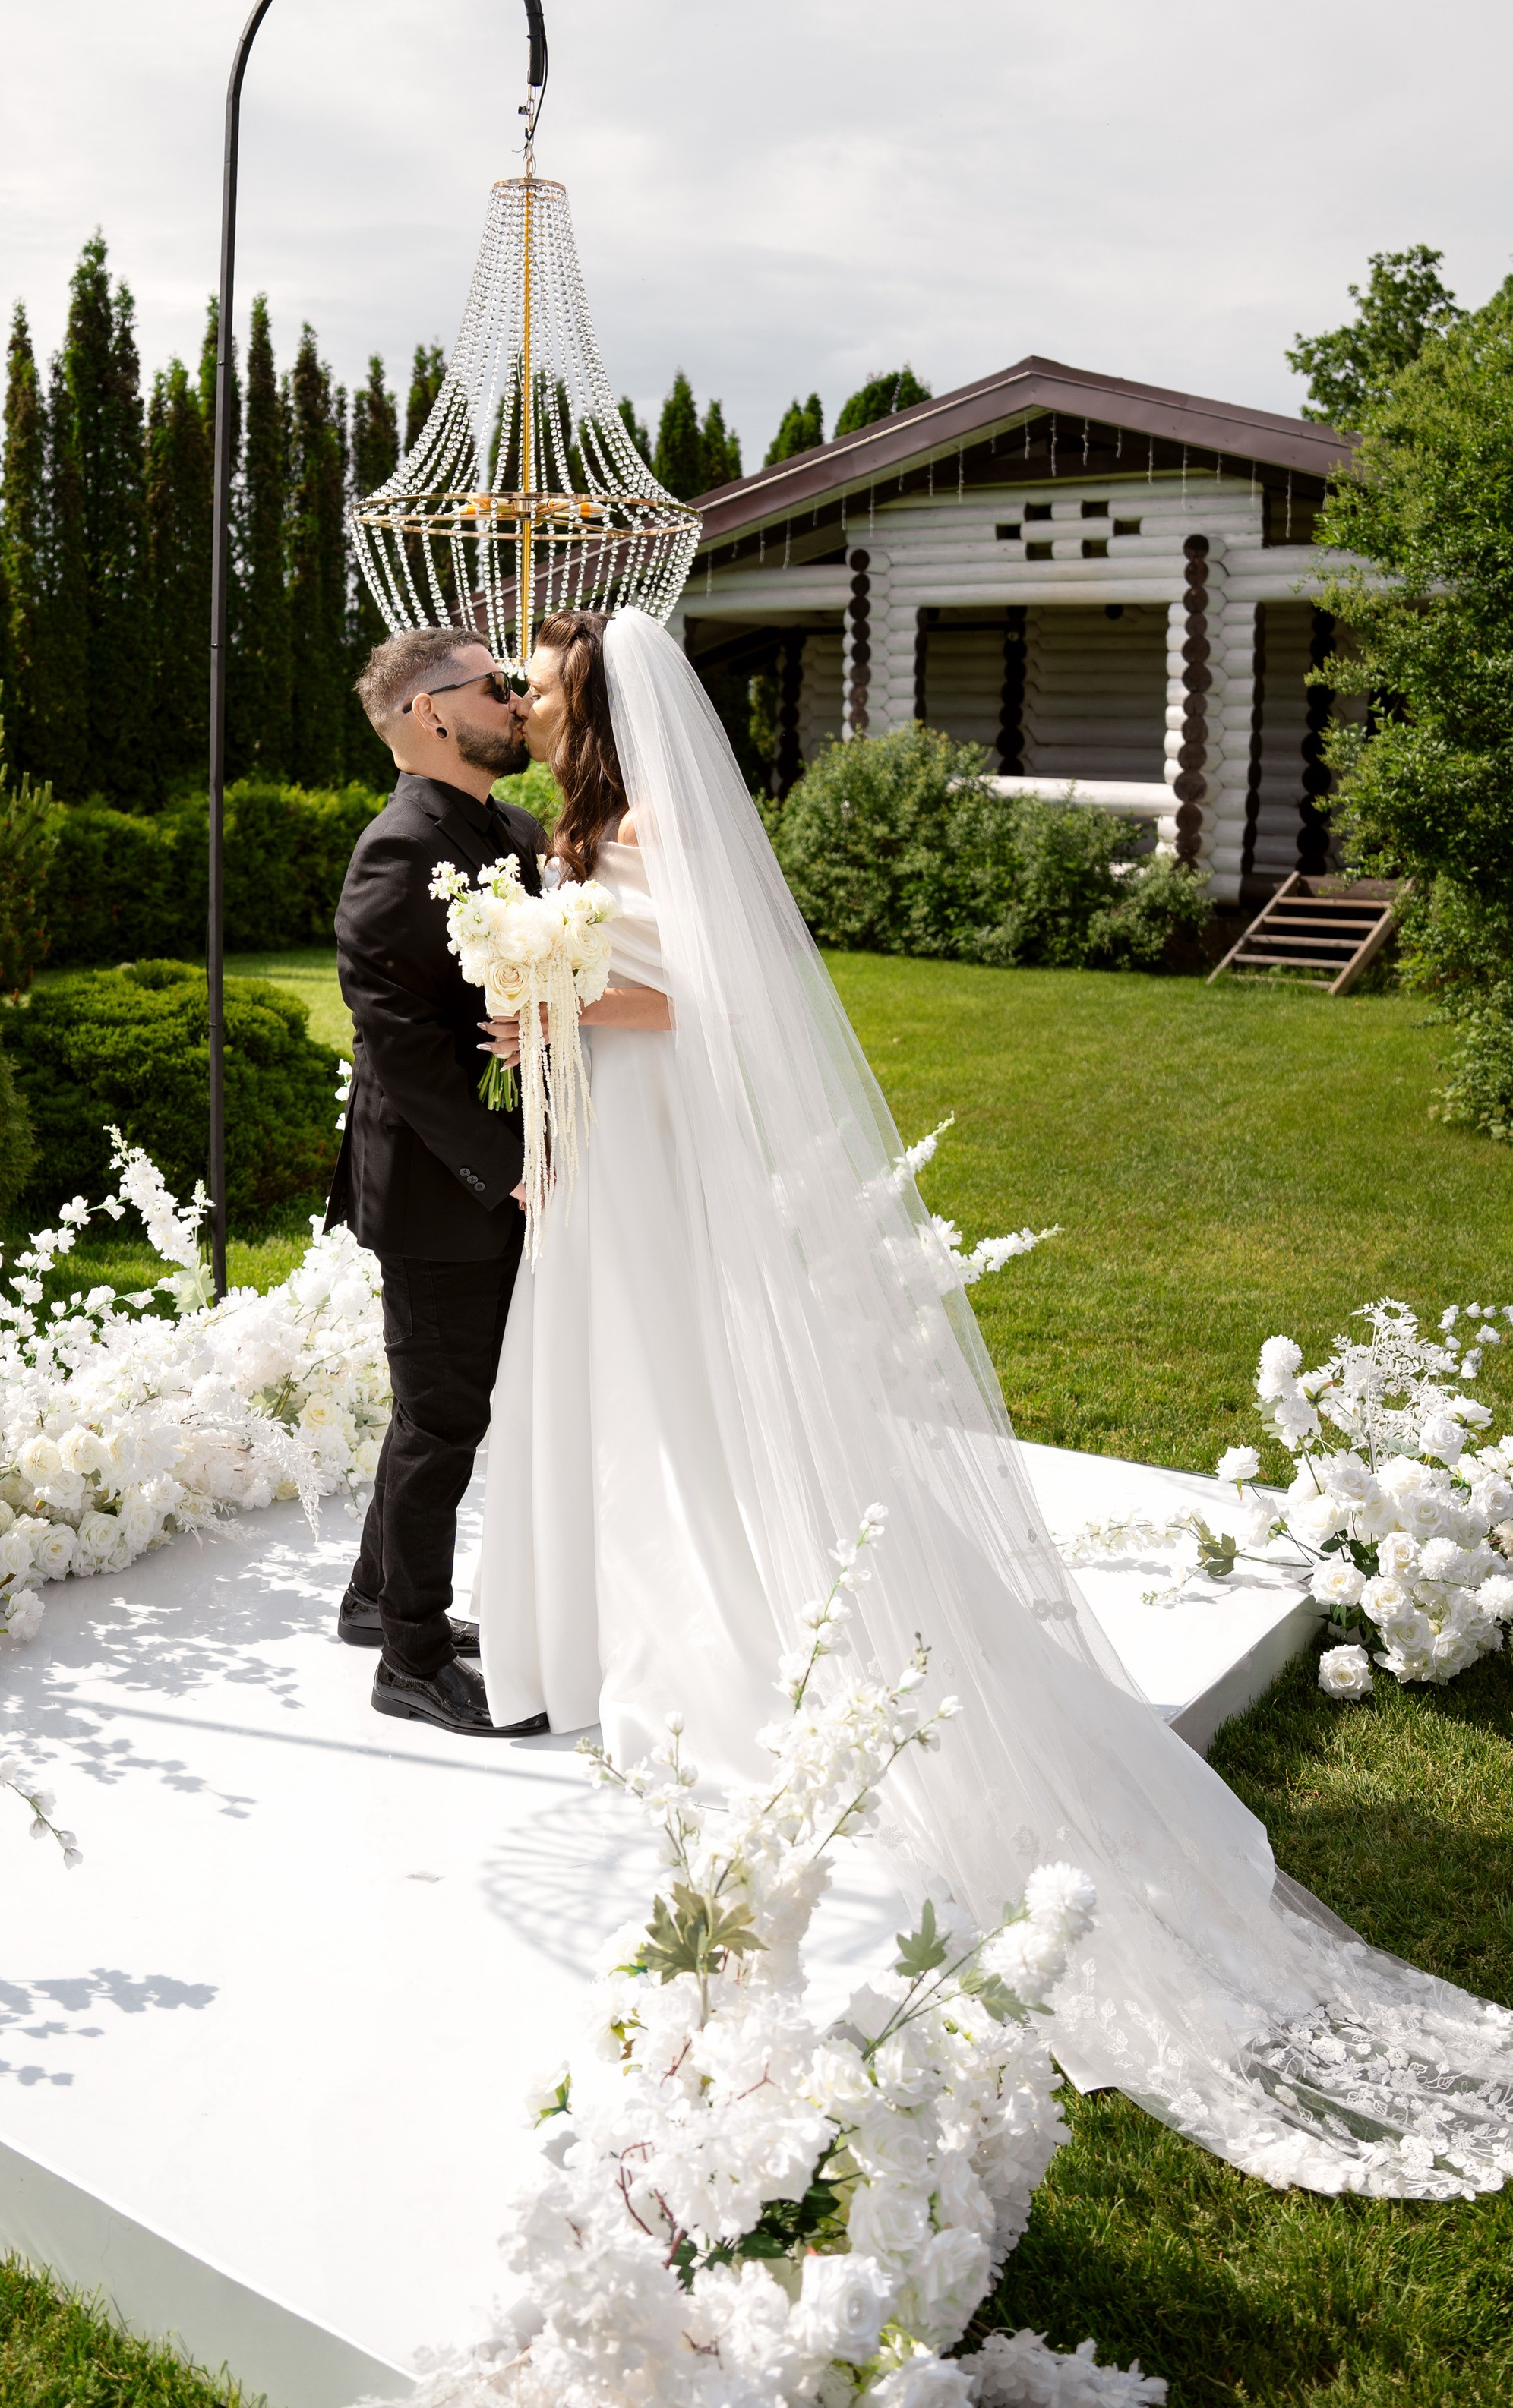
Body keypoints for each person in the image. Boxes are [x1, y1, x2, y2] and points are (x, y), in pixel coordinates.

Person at [476, 604, 1513, 2198]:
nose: (524, 703)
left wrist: (558, 984)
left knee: (696, 1385)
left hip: (666, 1147)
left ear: (596, 696)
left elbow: (701, 1005)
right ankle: (640, 1586)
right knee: (636, 1388)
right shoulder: (577, 819)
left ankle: (750, 1624)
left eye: (540, 685)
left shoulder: (658, 820)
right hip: (614, 1150)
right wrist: (539, 991)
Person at [326, 626, 550, 1739]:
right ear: (429, 714)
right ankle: (410, 1658)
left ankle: (372, 1598)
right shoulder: (398, 846)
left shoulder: (510, 828)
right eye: (497, 687)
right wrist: (507, 1170)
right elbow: (402, 1045)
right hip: (435, 1183)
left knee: (443, 1406)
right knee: (443, 1416)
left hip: (502, 1169)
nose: (516, 702)